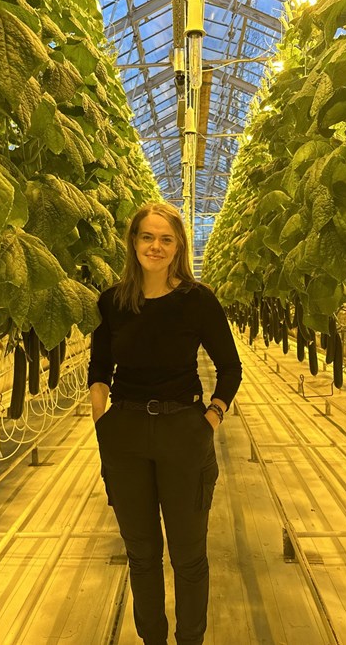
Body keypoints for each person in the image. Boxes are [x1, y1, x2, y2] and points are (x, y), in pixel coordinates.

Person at [87, 202, 242, 645]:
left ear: (178, 247)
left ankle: (190, 639)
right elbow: (99, 368)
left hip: (183, 431)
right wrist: (103, 422)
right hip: (125, 433)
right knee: (141, 555)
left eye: (166, 239)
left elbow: (230, 367)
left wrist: (211, 417)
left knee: (188, 555)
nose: (155, 246)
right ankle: (152, 638)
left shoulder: (198, 300)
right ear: (134, 242)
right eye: (147, 237)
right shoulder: (113, 302)